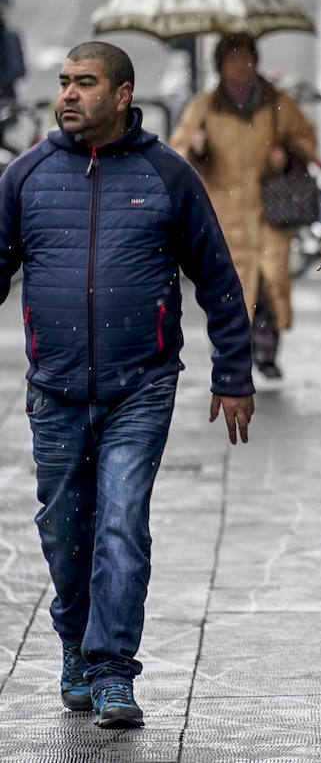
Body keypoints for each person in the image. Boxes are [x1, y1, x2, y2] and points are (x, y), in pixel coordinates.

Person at [0, 41, 254, 729]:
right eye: (63, 83)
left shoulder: (166, 174)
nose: (69, 95)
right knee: (62, 529)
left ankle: (112, 670)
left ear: (122, 93)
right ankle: (75, 647)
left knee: (119, 524)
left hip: (140, 385)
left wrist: (234, 374)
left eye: (85, 82)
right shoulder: (26, 177)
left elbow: (219, 280)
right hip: (53, 389)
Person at [169, 33, 317, 381]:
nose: (241, 66)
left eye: (247, 57)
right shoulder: (203, 107)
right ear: (220, 64)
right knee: (226, 288)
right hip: (223, 215)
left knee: (269, 284)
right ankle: (232, 353)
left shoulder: (277, 103)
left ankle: (265, 351)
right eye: (232, 58)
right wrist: (197, 147)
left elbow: (306, 138)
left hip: (268, 214)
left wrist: (288, 156)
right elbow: (177, 156)